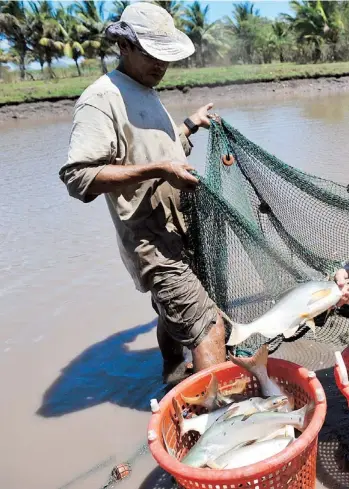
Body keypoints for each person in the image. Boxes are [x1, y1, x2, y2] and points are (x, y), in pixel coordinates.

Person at [59, 2, 226, 386]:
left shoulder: (146, 91)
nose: (161, 65)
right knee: (209, 325)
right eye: (152, 55)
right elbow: (77, 177)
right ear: (125, 47)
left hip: (179, 228)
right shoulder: (102, 98)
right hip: (148, 238)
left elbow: (157, 151)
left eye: (165, 57)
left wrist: (188, 126)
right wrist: (158, 171)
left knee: (173, 313)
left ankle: (171, 374)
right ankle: (221, 427)